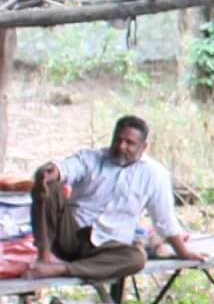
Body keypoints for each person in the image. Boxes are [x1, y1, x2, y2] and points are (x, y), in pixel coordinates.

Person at [0, 115, 200, 282]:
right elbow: (66, 167)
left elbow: (164, 221)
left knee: (136, 258)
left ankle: (61, 270)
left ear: (143, 146)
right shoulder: (92, 159)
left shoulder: (155, 175)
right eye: (118, 140)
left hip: (106, 247)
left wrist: (183, 252)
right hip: (69, 237)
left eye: (129, 143)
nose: (121, 146)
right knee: (48, 184)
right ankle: (44, 259)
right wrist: (50, 173)